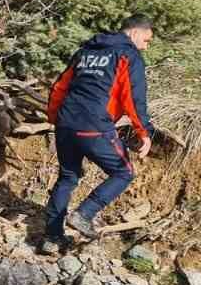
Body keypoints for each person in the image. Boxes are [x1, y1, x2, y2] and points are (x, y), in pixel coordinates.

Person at [41, 13, 156, 252]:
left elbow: (60, 86)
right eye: (147, 40)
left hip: (66, 123)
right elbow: (134, 98)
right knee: (123, 172)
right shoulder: (127, 55)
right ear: (135, 33)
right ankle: (84, 214)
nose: (146, 46)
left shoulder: (85, 52)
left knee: (68, 177)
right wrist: (144, 132)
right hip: (93, 126)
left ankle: (51, 238)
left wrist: (55, 118)